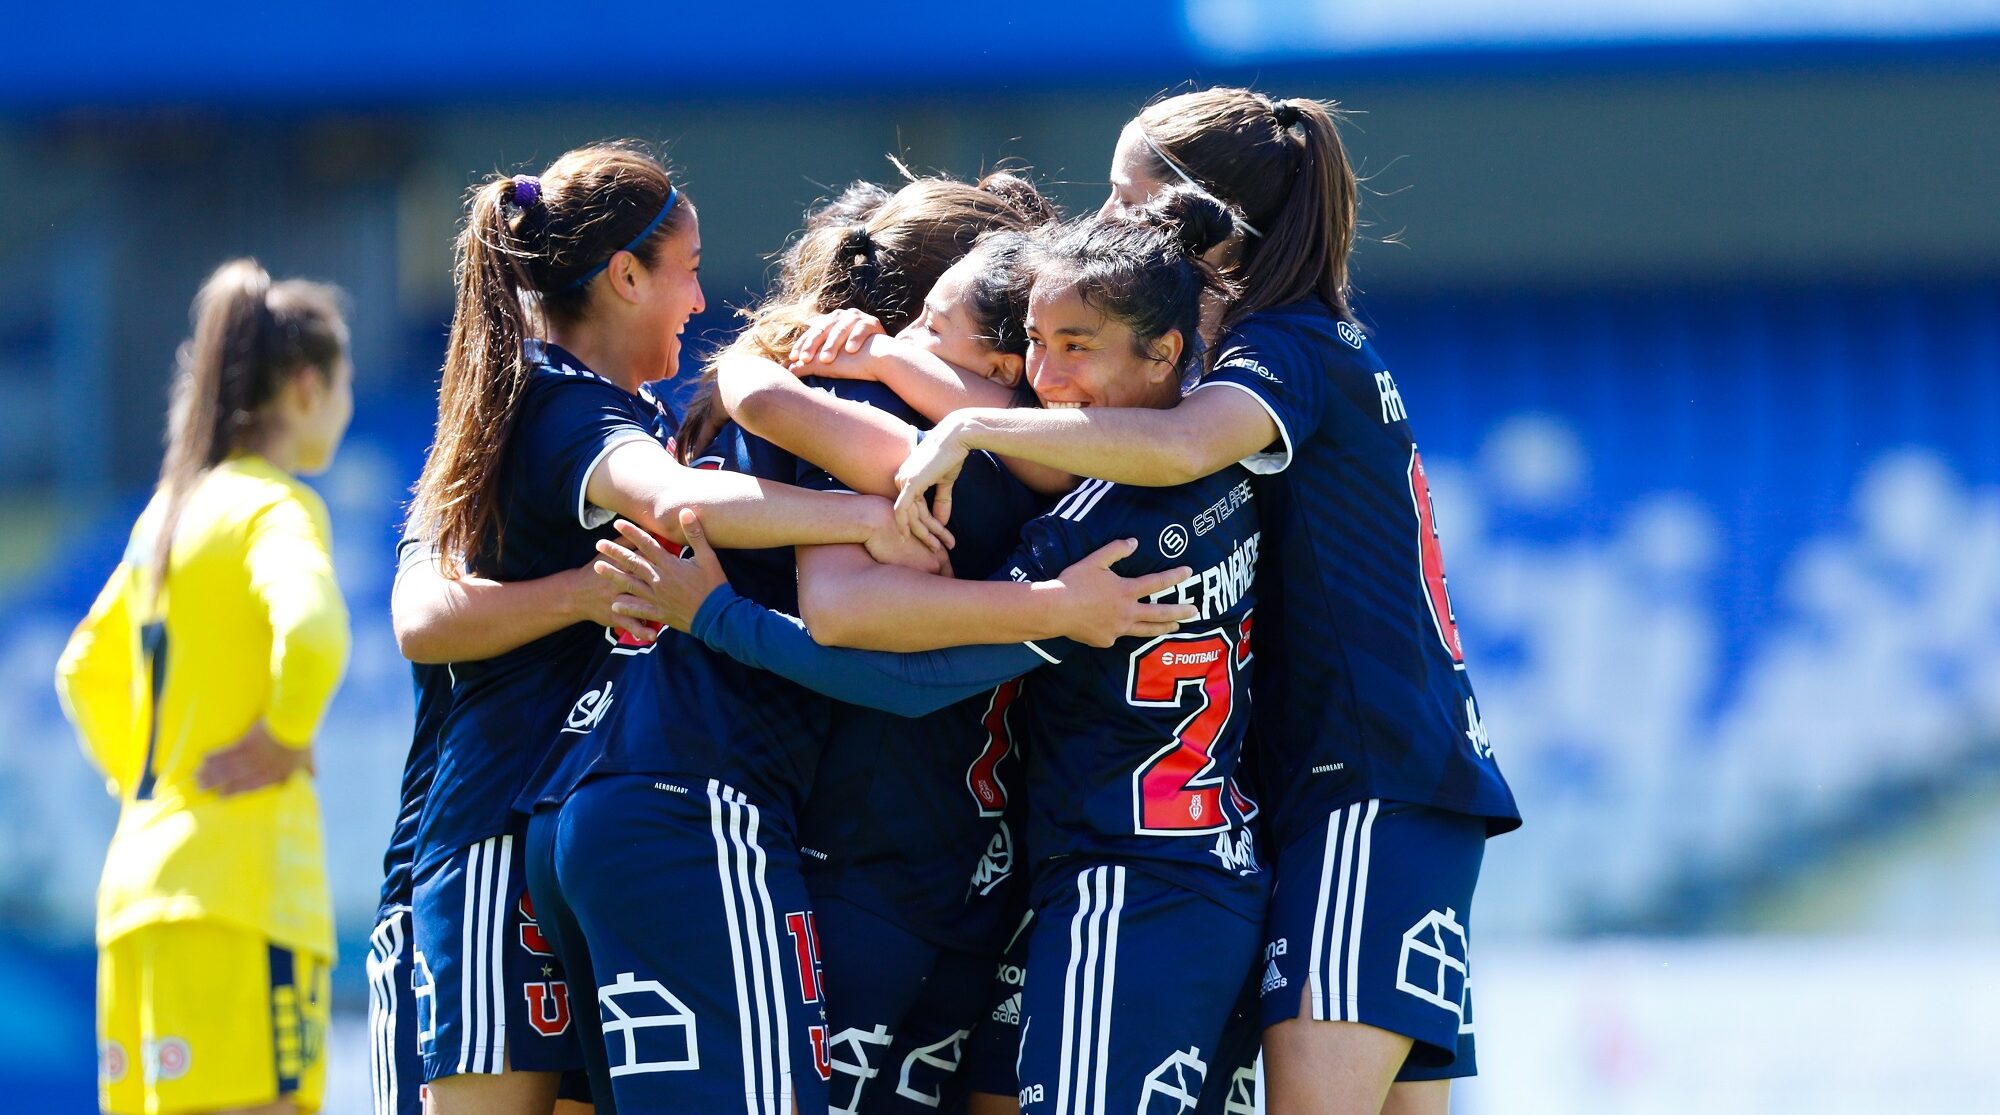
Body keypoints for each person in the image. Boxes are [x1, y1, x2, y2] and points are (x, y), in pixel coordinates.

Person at [889, 88, 1523, 1115]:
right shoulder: (1305, 337)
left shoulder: (1280, 345)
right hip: (1381, 783)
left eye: (1120, 197)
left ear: (1199, 218)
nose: (1098, 222)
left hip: (1361, 784)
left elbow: (1180, 443)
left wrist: (972, 429)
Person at [519, 172, 1190, 1114]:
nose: (906, 343)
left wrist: (767, 369)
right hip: (732, 819)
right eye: (916, 322)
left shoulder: (850, 396)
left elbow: (780, 411)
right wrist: (1053, 607)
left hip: (625, 798)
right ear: (1006, 356)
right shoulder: (913, 429)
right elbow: (854, 622)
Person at [399, 140, 947, 1115]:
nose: (699, 302)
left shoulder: (597, 403)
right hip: (492, 830)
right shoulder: (560, 409)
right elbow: (677, 502)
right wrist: (863, 515)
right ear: (623, 277)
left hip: (551, 818)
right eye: (688, 273)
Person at [56, 258, 353, 1115]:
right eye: (342, 386)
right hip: (240, 900)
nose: (342, 406)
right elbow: (314, 628)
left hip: (139, 901)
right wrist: (283, 734)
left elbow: (82, 670)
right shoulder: (273, 506)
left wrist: (152, 780)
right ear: (305, 387)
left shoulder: (166, 515)